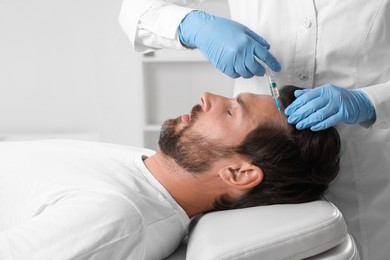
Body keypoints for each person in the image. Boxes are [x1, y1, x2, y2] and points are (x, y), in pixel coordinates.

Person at [118, 1, 390, 258]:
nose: (204, 97)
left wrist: (371, 102)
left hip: (368, 172)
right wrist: (190, 24)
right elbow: (137, 10)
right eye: (231, 108)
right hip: (256, 169)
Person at [0, 86, 340, 260]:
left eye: (230, 112)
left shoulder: (118, 217)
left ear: (238, 173)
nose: (206, 97)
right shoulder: (151, 168)